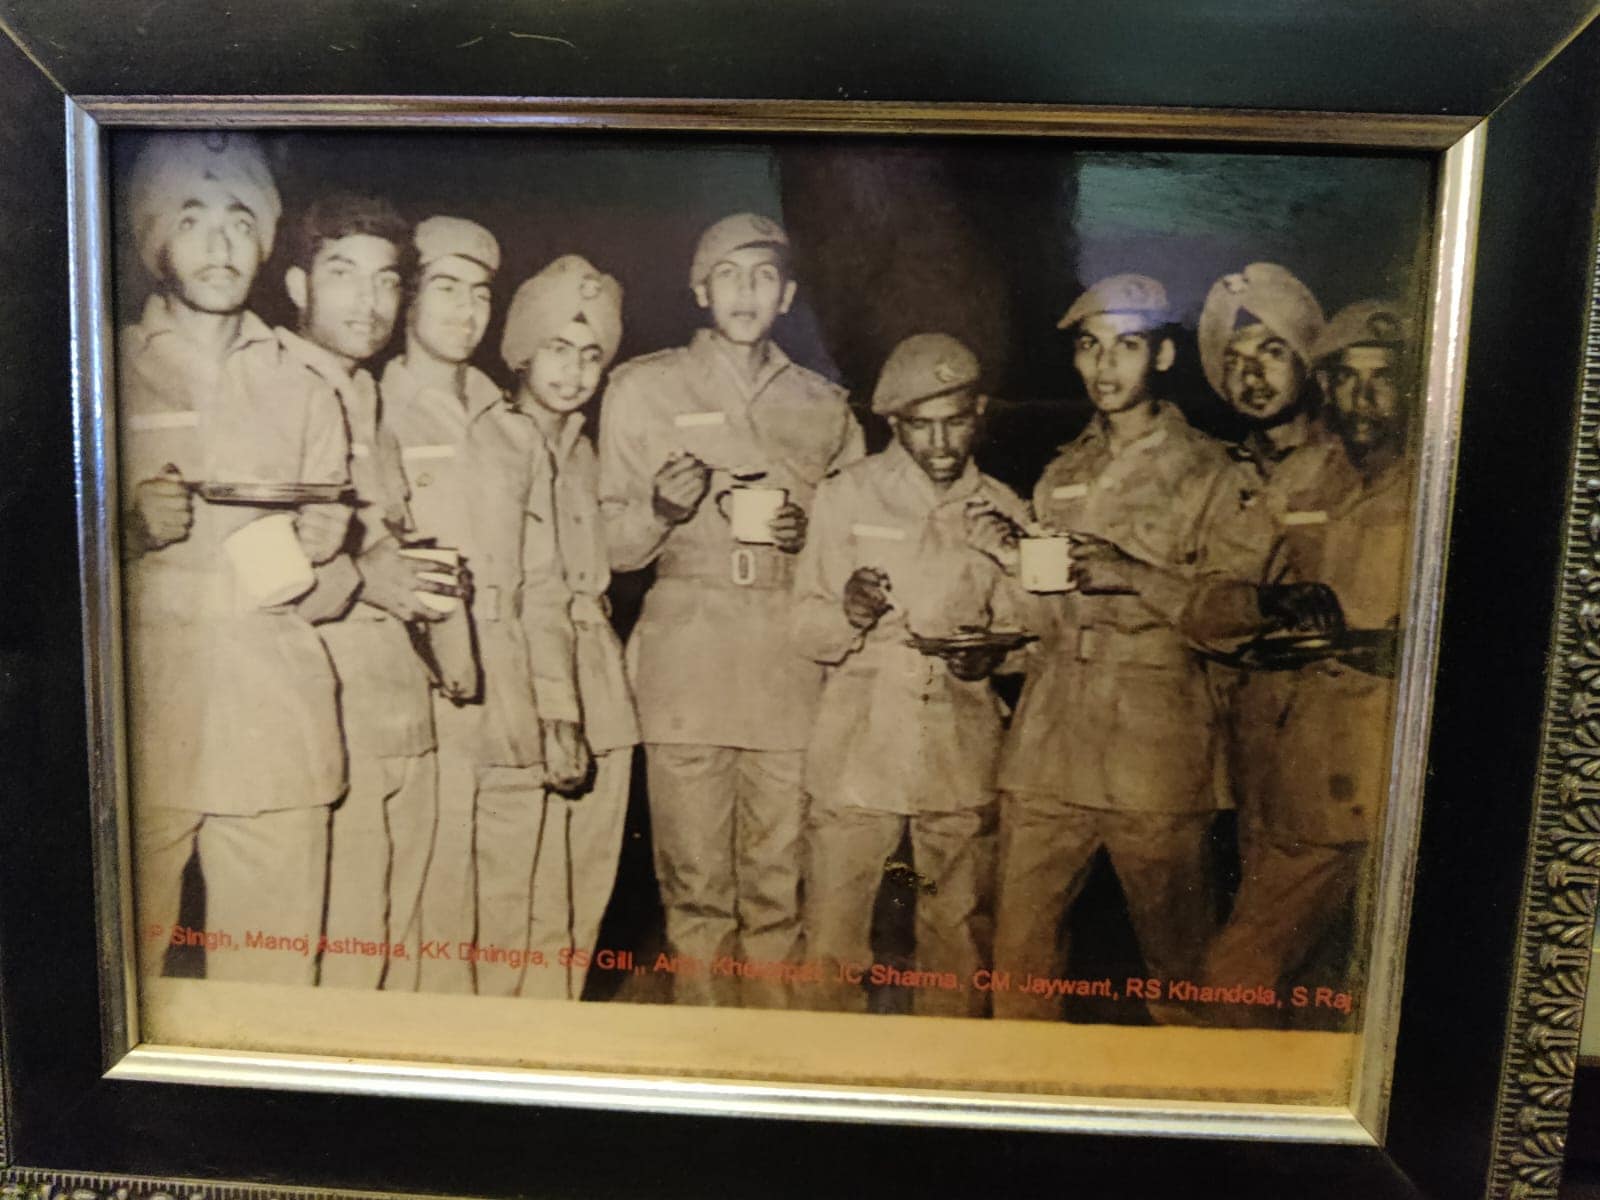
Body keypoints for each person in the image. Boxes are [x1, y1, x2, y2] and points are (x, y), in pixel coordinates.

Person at [597, 212, 863, 1007]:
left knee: (780, 889)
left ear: (788, 295)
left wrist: (809, 536)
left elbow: (857, 548)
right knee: (696, 892)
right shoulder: (643, 389)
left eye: (763, 275)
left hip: (787, 666)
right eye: (727, 274)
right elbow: (610, 547)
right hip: (688, 663)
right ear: (698, 289)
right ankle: (704, 1048)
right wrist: (661, 511)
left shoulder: (824, 404)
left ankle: (771, 1054)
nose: (746, 291)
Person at [968, 273, 1238, 1021]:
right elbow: (1044, 618)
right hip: (1049, 746)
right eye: (1090, 347)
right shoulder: (1061, 473)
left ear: (1163, 355)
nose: (1105, 365)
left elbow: (1237, 618)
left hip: (1155, 752)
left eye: (1127, 345)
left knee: (1178, 974)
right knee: (1019, 966)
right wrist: (1008, 563)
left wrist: (1134, 574)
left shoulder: (1210, 471)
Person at [120, 132, 355, 984]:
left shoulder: (307, 387)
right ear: (156, 241)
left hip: (276, 729)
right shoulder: (102, 372)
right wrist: (126, 531)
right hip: (138, 727)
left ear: (263, 244)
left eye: (240, 222)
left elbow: (331, 593)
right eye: (192, 220)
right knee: (110, 988)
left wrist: (327, 556)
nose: (219, 244)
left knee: (272, 993)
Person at [1189, 297, 1415, 1017]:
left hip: (1418, 777)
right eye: (1345, 378)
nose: (1362, 398)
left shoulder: (1452, 477)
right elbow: (1205, 607)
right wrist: (1272, 601)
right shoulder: (1305, 479)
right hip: (1319, 779)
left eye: (1382, 378)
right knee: (1238, 977)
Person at [793, 333, 1030, 1016]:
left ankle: (944, 1071)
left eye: (955, 421)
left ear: (978, 412)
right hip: (858, 747)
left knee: (957, 940)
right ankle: (817, 1071)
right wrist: (849, 611)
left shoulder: (1006, 507)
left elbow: (1032, 635)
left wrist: (993, 654)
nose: (941, 443)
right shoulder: (848, 495)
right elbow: (805, 627)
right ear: (894, 423)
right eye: (921, 426)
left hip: (960, 745)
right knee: (832, 940)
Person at [277, 193, 463, 990]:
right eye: (343, 274)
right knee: (345, 953)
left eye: (386, 281)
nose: (369, 301)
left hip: (396, 699)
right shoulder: (274, 386)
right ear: (298, 285)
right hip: (324, 707)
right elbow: (254, 567)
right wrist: (365, 575)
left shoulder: (367, 399)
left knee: (397, 946)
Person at [380, 215, 546, 994]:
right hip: (424, 684)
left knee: (511, 903)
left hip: (511, 683)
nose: (466, 309)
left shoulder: (512, 428)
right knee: (435, 907)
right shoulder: (375, 407)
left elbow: (542, 579)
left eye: (480, 293)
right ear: (409, 298)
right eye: (445, 288)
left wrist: (555, 702)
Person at [476, 254, 640, 999]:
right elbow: (527, 592)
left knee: (577, 908)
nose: (574, 372)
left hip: (599, 691)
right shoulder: (493, 441)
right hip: (528, 695)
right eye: (557, 348)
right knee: (510, 910)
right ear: (520, 352)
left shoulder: (583, 451)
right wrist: (555, 712)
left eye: (591, 355)